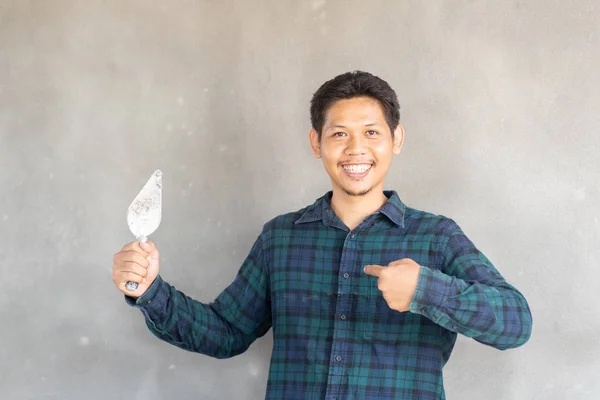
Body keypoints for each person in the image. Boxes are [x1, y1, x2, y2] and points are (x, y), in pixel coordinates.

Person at [112, 71, 532, 399]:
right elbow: (225, 332)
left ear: (395, 139)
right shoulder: (281, 238)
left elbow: (515, 322)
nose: (355, 150)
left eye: (371, 132)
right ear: (317, 142)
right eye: (338, 134)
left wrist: (426, 289)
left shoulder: (436, 237)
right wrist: (150, 291)